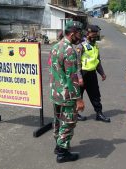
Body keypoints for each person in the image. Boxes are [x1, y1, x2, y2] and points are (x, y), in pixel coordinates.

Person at [49, 20, 85, 163]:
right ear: (72, 33)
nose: (80, 36)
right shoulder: (70, 50)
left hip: (56, 92)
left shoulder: (56, 46)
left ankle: (58, 147)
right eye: (78, 33)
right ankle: (63, 153)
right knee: (68, 122)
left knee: (58, 120)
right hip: (67, 94)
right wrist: (79, 99)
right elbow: (72, 77)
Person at [76, 25, 110, 123]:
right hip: (82, 74)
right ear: (87, 34)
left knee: (95, 95)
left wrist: (102, 73)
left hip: (92, 74)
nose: (95, 36)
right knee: (79, 95)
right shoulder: (81, 46)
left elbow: (97, 61)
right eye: (94, 34)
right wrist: (79, 77)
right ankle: (75, 114)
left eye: (96, 35)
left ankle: (99, 113)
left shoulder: (95, 46)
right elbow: (77, 63)